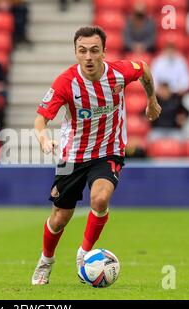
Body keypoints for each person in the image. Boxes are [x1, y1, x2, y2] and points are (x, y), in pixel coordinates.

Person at [31, 26, 161, 285]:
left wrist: (152, 100)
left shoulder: (119, 73)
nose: (88, 57)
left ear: (104, 52)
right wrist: (44, 138)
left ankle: (84, 253)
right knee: (60, 218)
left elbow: (144, 68)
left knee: (100, 200)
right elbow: (40, 120)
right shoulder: (65, 83)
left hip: (109, 151)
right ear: (75, 53)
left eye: (94, 51)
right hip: (73, 155)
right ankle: (46, 260)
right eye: (82, 51)